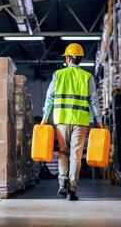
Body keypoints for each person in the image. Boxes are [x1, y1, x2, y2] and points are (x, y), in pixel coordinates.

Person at [40, 43, 104, 201]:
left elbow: (50, 98)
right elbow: (94, 101)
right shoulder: (87, 77)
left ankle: (62, 182)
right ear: (80, 59)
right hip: (81, 121)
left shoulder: (58, 74)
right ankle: (73, 189)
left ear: (68, 58)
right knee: (76, 155)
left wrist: (45, 117)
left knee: (63, 152)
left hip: (62, 120)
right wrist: (99, 120)